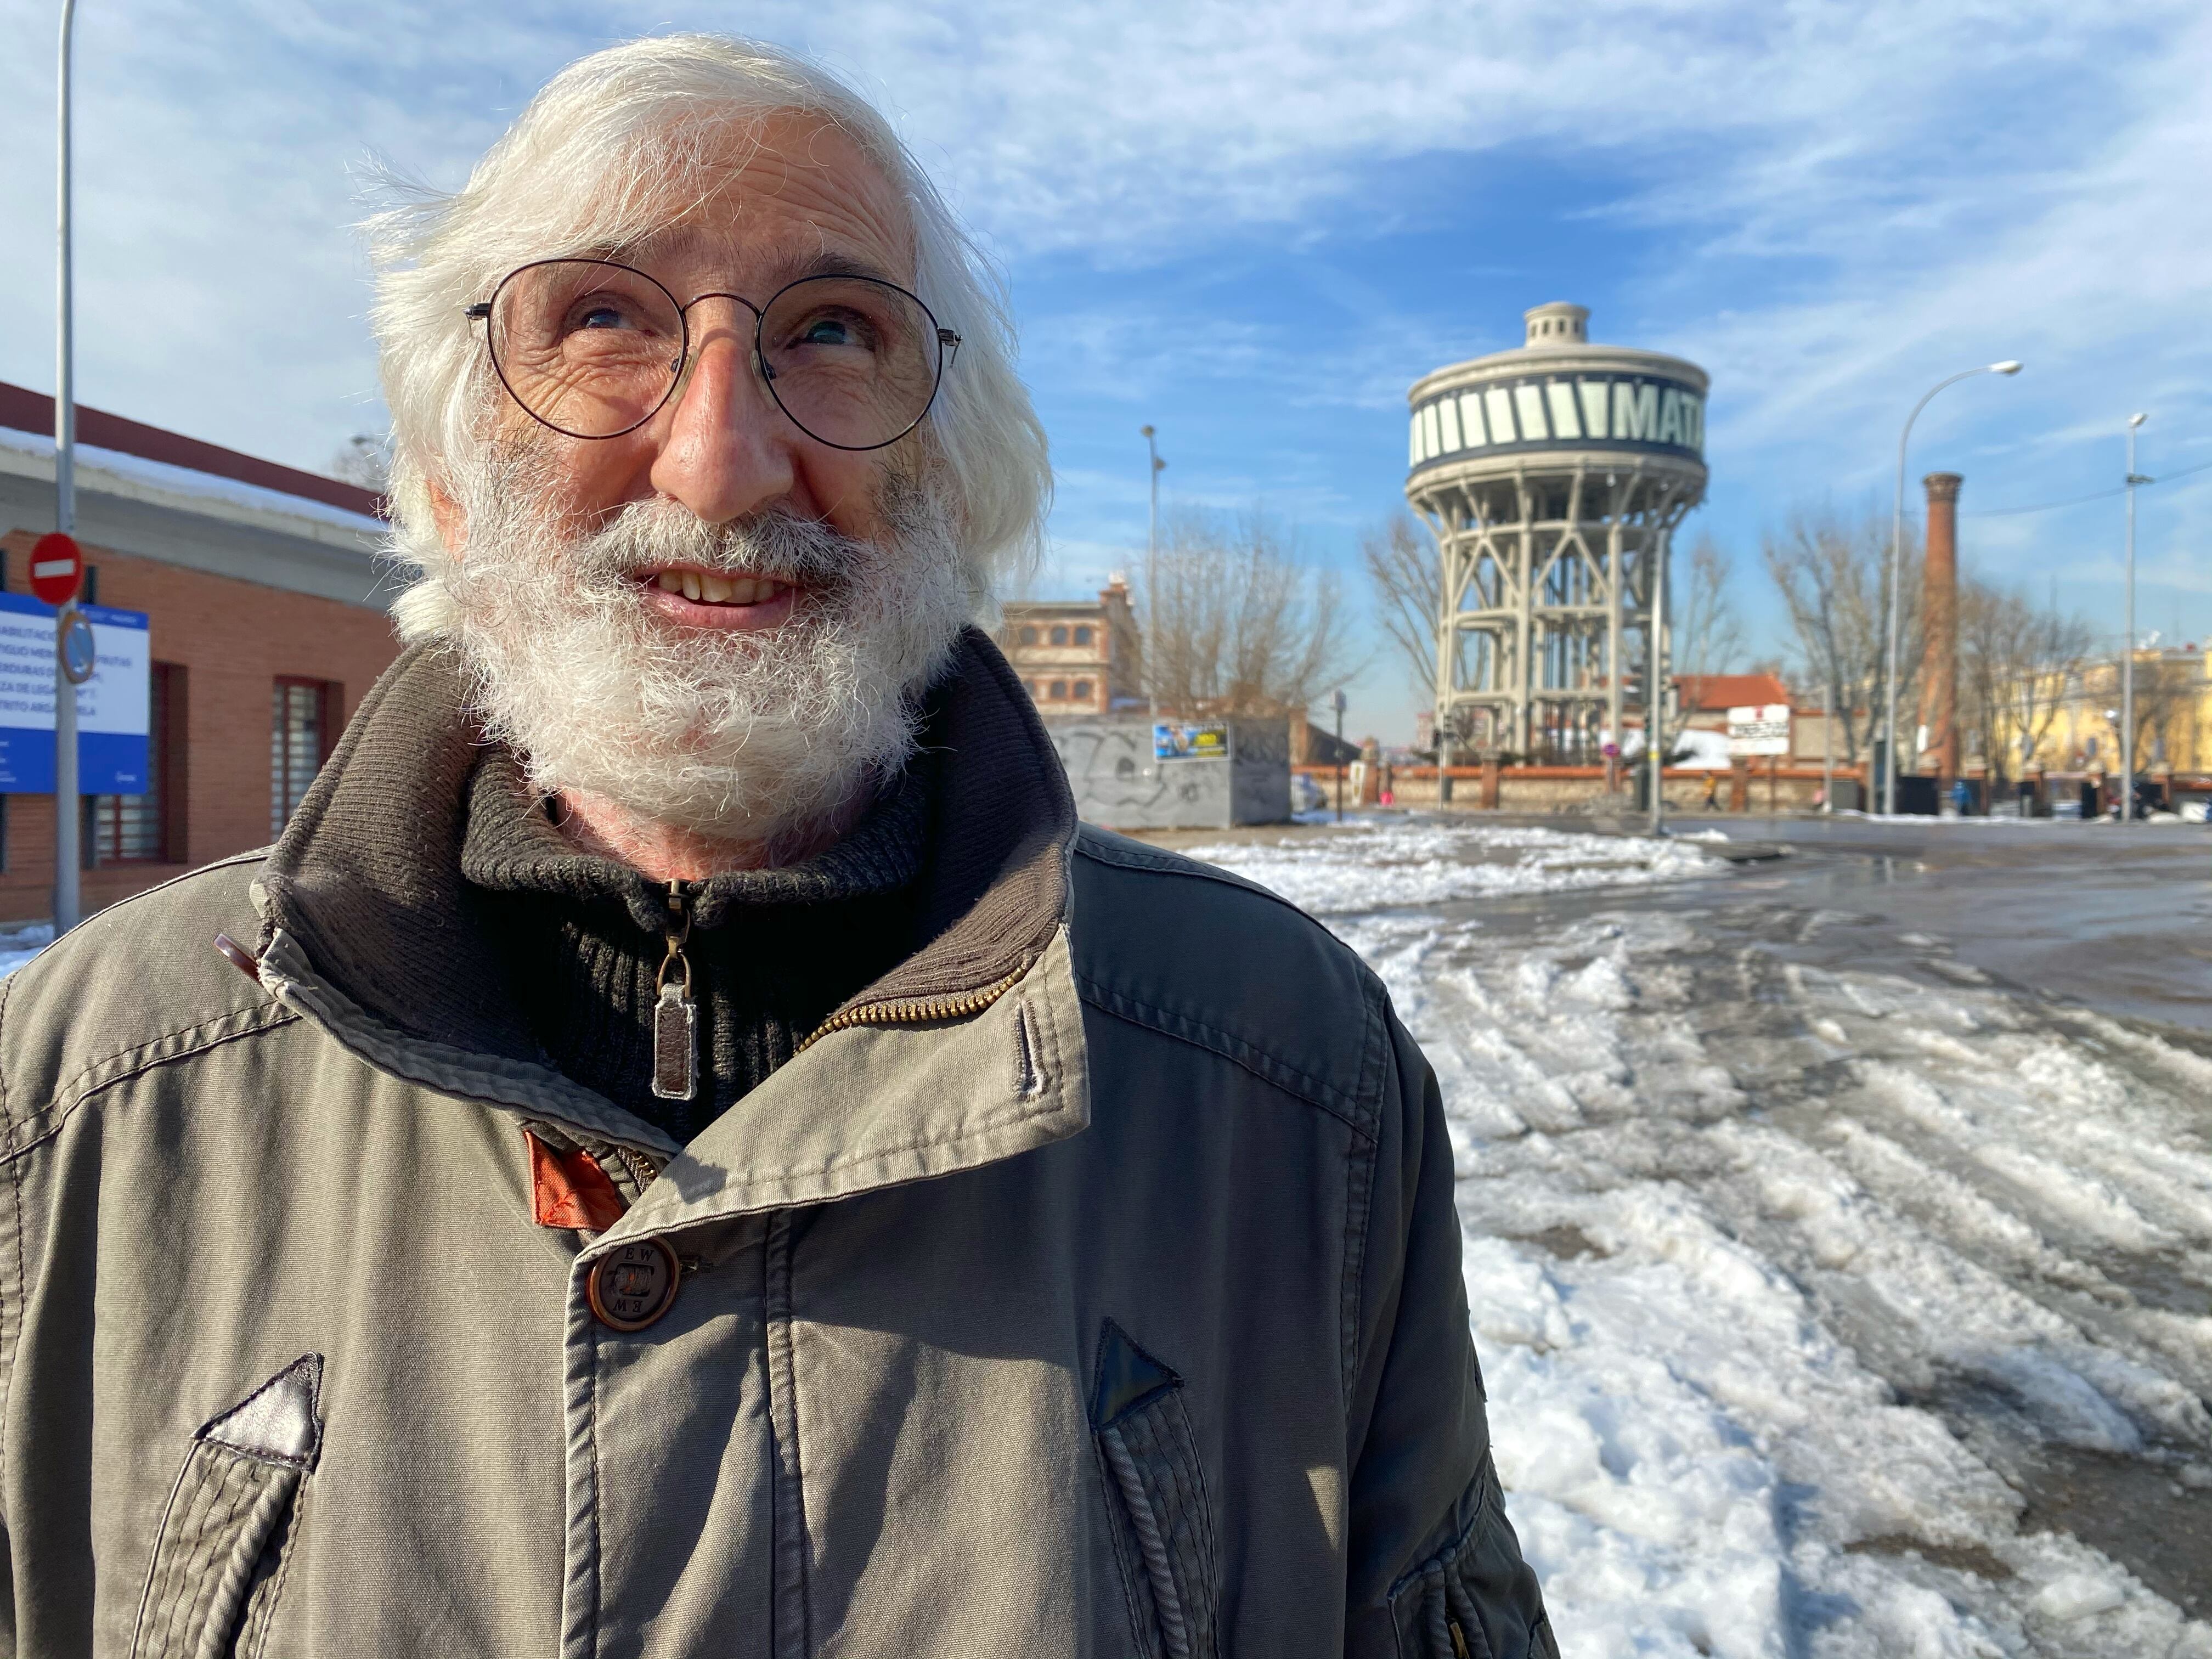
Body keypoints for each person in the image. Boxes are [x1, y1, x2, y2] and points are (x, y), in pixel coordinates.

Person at [0, 36, 1552, 1658]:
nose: (722, 462)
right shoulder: (80, 1100)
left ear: (951, 479)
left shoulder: (1291, 1086)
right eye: (601, 320)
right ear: (450, 480)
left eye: (833, 331)